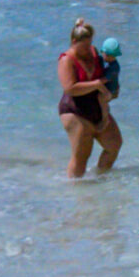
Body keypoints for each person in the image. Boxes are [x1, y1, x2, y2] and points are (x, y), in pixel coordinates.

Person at [57, 18, 121, 179]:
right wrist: (98, 84)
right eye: (84, 45)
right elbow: (70, 88)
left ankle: (100, 183)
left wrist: (113, 88)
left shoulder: (93, 52)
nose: (88, 49)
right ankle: (75, 194)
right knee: (81, 158)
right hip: (74, 110)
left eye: (90, 44)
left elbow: (108, 72)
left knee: (114, 144)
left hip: (96, 107)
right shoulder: (66, 60)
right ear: (74, 41)